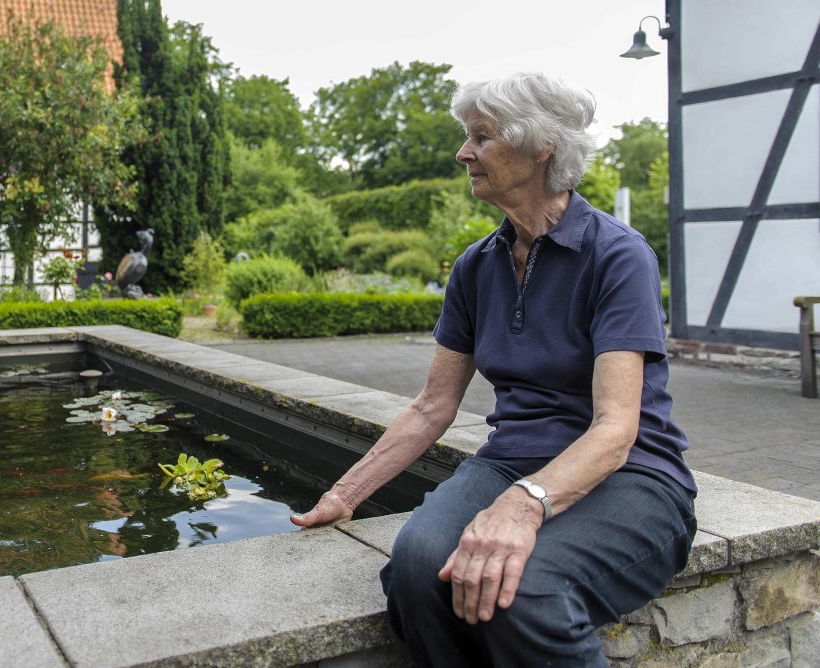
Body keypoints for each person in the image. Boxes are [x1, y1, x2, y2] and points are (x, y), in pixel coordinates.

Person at [291, 72, 696, 666]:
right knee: (417, 566)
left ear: (540, 147)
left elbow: (616, 429)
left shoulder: (618, 255)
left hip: (629, 475)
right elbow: (433, 405)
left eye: (481, 136)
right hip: (511, 459)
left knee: (526, 590)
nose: (464, 153)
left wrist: (522, 505)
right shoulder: (476, 268)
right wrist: (345, 493)